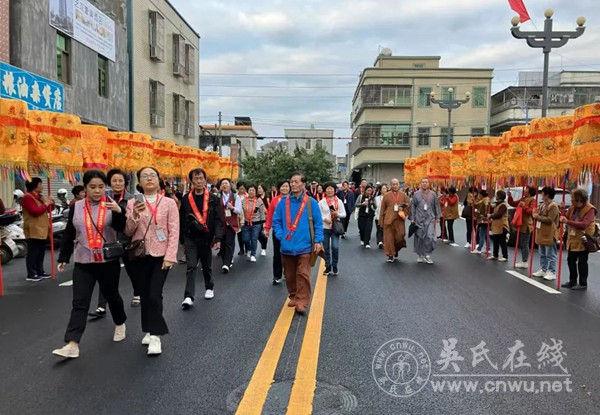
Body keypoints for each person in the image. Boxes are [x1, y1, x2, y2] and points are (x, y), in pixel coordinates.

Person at [52, 170, 127, 359]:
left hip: (107, 261)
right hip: (83, 260)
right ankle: (72, 343)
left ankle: (120, 322)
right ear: (84, 188)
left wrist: (119, 212)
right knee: (79, 302)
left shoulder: (111, 204)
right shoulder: (76, 207)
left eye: (101, 187)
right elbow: (70, 233)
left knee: (112, 296)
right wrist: (63, 257)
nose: (97, 191)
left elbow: (121, 228)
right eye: (92, 187)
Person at [125, 167, 179, 355]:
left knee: (155, 294)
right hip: (139, 255)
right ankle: (148, 328)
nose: (149, 179)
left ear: (158, 180)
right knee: (145, 294)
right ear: (139, 182)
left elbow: (174, 231)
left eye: (152, 176)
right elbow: (128, 231)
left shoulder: (169, 203)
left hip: (160, 255)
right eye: (144, 176)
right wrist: (135, 216)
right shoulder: (133, 202)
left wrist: (170, 256)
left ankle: (156, 336)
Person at [90, 169, 139, 319]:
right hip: (108, 242)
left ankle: (137, 293)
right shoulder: (103, 199)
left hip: (126, 241)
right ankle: (101, 305)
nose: (117, 184)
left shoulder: (132, 200)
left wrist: (120, 211)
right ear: (109, 183)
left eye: (120, 181)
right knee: (105, 275)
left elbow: (134, 220)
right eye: (114, 181)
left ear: (126, 183)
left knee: (132, 270)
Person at [272, 173, 323, 314]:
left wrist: (318, 240)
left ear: (303, 184)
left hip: (305, 246)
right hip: (287, 246)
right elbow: (276, 221)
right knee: (289, 274)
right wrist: (280, 235)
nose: (292, 184)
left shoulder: (311, 202)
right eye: (291, 182)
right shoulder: (283, 202)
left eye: (295, 182)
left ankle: (302, 301)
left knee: (303, 274)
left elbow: (318, 223)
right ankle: (293, 295)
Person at [180, 168, 223, 305]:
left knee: (206, 264)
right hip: (190, 237)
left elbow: (218, 219)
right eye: (196, 178)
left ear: (205, 180)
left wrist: (218, 238)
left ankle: (209, 287)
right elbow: (181, 219)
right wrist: (181, 239)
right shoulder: (186, 199)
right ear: (191, 180)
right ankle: (188, 296)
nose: (198, 181)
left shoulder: (213, 199)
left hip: (206, 236)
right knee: (191, 265)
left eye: (201, 178)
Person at [560, 188, 596, 290]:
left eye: (573, 198)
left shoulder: (590, 209)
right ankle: (572, 281)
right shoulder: (572, 207)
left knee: (582, 261)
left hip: (584, 239)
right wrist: (562, 209)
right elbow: (565, 217)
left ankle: (583, 283)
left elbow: (584, 224)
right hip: (573, 237)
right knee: (570, 259)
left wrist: (567, 221)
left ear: (579, 200)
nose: (571, 200)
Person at [21, 177, 54, 282]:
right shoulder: (28, 197)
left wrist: (51, 202)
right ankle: (31, 273)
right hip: (33, 228)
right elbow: (35, 211)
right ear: (35, 185)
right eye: (40, 184)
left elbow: (49, 209)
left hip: (42, 228)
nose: (42, 186)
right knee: (33, 251)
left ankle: (40, 271)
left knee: (41, 251)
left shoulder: (40, 197)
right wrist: (46, 204)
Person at [264, 180, 290, 284]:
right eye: (282, 187)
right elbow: (270, 215)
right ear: (279, 188)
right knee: (277, 253)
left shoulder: (293, 199)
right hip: (277, 230)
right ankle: (277, 275)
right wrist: (267, 228)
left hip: (290, 231)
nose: (285, 188)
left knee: (289, 253)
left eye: (287, 186)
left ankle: (288, 273)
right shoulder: (275, 200)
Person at [379, 179, 410, 263]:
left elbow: (408, 205)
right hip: (388, 220)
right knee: (389, 238)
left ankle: (395, 249)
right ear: (391, 185)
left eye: (397, 184)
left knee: (400, 236)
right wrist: (381, 221)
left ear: (399, 185)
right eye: (393, 184)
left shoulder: (403, 195)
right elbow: (382, 209)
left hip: (399, 220)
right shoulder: (386, 196)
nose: (395, 186)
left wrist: (403, 210)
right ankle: (390, 254)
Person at [410, 178, 441, 264]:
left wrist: (438, 216)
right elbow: (413, 207)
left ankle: (427, 254)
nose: (424, 184)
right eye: (423, 182)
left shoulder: (433, 194)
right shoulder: (416, 194)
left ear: (428, 184)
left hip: (430, 218)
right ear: (420, 184)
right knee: (420, 237)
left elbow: (436, 206)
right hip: (419, 219)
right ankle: (420, 255)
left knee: (430, 236)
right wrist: (412, 218)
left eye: (426, 182)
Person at [532, 187, 560, 280]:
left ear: (547, 195)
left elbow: (550, 220)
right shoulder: (543, 205)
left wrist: (537, 217)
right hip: (541, 232)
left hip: (549, 233)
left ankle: (552, 271)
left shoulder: (553, 206)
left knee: (550, 254)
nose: (541, 195)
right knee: (542, 253)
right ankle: (543, 269)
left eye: (542, 193)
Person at [319, 182, 346, 275]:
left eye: (331, 189)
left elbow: (344, 214)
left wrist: (337, 214)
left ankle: (335, 265)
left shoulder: (338, 201)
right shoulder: (322, 202)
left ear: (335, 190)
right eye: (327, 188)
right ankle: (328, 266)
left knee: (335, 247)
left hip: (335, 228)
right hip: (325, 227)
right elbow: (318, 215)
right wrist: (324, 219)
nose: (329, 190)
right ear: (325, 190)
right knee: (326, 248)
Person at [508, 186, 537, 269]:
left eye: (527, 189)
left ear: (530, 191)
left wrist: (524, 206)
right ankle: (523, 260)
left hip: (526, 224)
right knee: (522, 243)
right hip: (520, 223)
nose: (525, 190)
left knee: (524, 243)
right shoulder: (523, 198)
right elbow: (513, 203)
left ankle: (525, 261)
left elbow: (532, 211)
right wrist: (510, 197)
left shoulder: (532, 200)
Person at [218, 178, 242, 273]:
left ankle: (226, 264)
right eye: (223, 183)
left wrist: (232, 208)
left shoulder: (236, 197)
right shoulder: (218, 196)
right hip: (220, 223)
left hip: (231, 223)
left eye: (226, 183)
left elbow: (239, 210)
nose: (224, 185)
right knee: (223, 243)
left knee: (229, 242)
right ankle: (226, 260)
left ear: (230, 185)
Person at [241, 184, 266, 262]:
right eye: (250, 190)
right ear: (247, 191)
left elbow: (262, 213)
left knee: (254, 239)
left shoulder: (259, 201)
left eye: (253, 190)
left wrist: (264, 224)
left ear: (256, 192)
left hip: (256, 224)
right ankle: (248, 249)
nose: (251, 192)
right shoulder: (243, 201)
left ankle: (253, 254)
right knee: (245, 239)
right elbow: (241, 212)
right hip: (246, 223)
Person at [487, 190, 509, 262]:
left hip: (502, 225)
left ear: (499, 196)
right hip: (496, 225)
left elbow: (499, 215)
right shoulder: (497, 204)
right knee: (495, 240)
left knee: (502, 241)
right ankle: (495, 254)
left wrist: (491, 216)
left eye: (496, 195)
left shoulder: (503, 205)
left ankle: (505, 256)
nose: (495, 196)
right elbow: (492, 211)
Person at [473, 190, 490, 254]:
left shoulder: (484, 200)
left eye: (479, 194)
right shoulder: (488, 199)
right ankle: (488, 248)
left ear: (481, 195)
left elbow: (476, 205)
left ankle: (479, 248)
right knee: (486, 234)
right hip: (486, 219)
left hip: (483, 219)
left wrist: (484, 215)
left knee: (482, 234)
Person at [257, 184, 270, 256]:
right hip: (257, 218)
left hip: (266, 218)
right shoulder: (256, 198)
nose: (259, 190)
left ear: (263, 189)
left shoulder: (268, 198)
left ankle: (263, 248)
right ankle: (262, 243)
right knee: (258, 233)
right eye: (258, 188)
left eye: (260, 188)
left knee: (265, 234)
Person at [374, 184, 388, 249]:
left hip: (386, 216)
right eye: (383, 188)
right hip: (378, 215)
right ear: (380, 190)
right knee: (379, 228)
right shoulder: (377, 198)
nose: (384, 190)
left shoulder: (388, 198)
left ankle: (383, 240)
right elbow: (374, 207)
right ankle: (380, 241)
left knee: (384, 229)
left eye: (385, 188)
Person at [236, 183, 247, 256]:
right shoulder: (235, 196)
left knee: (246, 234)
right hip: (238, 217)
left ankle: (247, 248)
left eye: (243, 188)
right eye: (240, 188)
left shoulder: (248, 196)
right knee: (239, 234)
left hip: (246, 217)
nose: (242, 190)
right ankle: (241, 249)